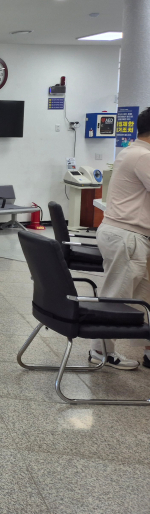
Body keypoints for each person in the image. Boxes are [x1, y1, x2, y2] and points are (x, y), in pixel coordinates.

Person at [89, 108, 150, 370]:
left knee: (142, 297)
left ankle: (147, 350)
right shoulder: (144, 156)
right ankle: (100, 351)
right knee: (117, 296)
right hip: (128, 236)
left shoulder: (131, 151)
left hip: (125, 234)